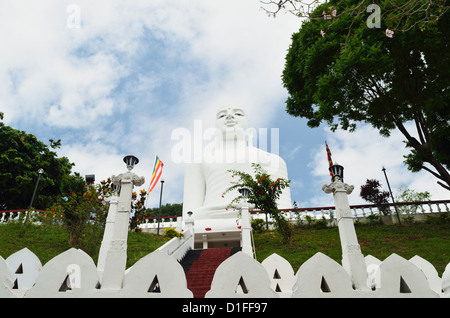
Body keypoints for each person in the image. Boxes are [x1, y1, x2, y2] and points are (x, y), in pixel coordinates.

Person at [182, 106, 291, 246]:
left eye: (238, 114)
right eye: (222, 115)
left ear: (248, 126)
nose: (229, 117)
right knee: (195, 217)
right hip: (209, 216)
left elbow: (282, 211)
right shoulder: (197, 162)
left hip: (256, 213)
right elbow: (190, 213)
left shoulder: (272, 160)